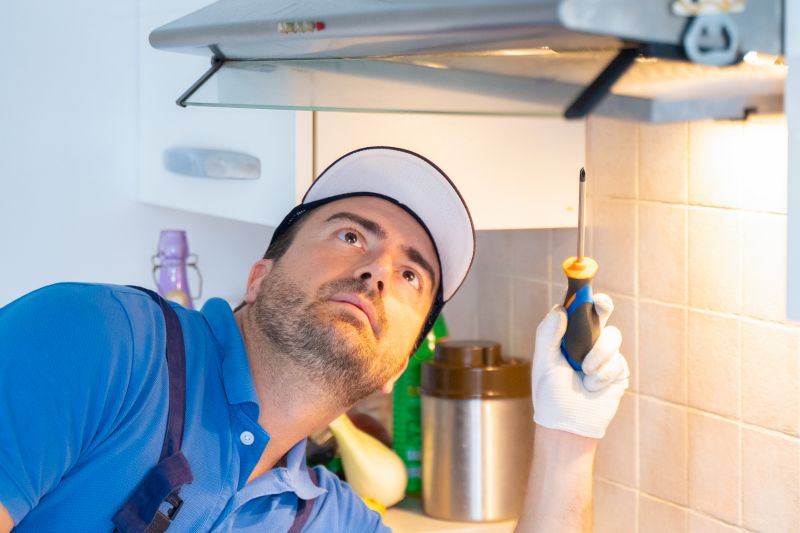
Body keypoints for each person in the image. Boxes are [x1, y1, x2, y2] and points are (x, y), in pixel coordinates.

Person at [0, 146, 628, 532]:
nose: (379, 270)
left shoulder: (325, 518)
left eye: (411, 274)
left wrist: (569, 433)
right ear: (260, 276)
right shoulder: (102, 341)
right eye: (352, 235)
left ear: (398, 368)